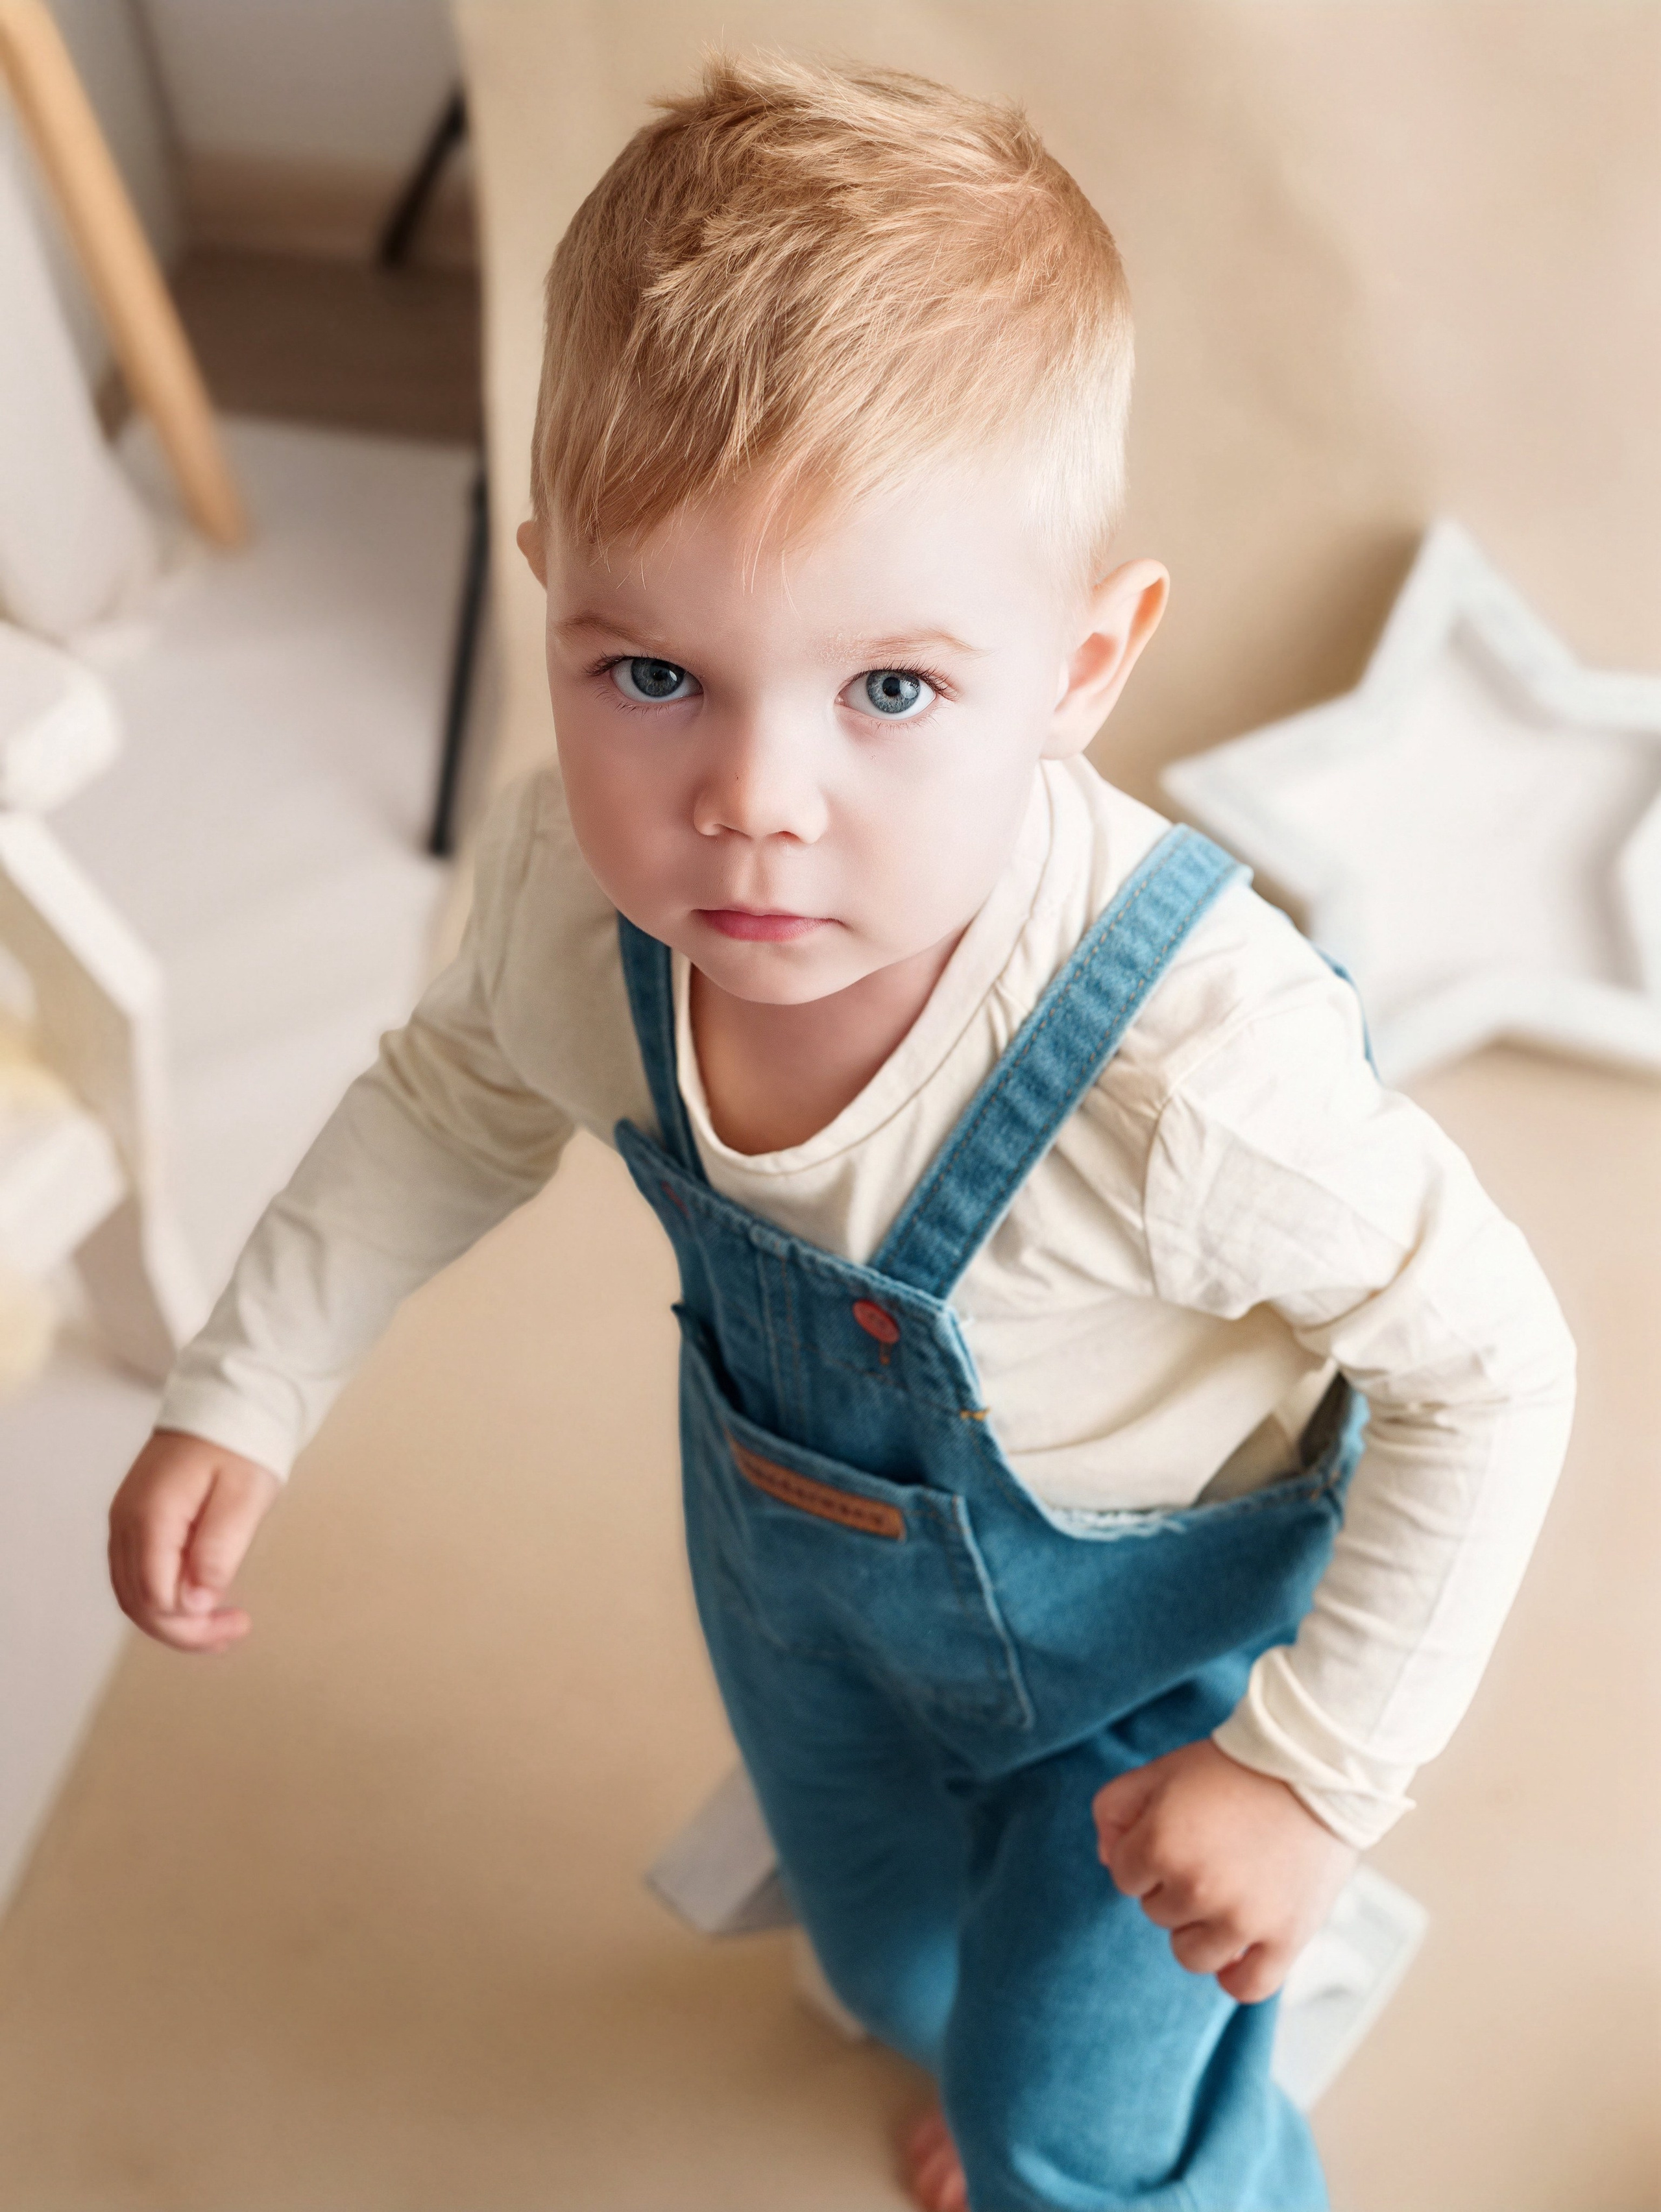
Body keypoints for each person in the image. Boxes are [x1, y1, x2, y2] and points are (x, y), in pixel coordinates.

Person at [107, 54, 1577, 2212]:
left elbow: (1496, 1365)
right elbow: (446, 1104)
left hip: (1155, 1680)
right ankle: (975, 2043)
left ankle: (1130, 2147)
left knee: (1080, 2106)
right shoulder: (566, 905)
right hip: (808, 1623)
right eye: (652, 675)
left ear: (1082, 662)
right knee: (888, 1948)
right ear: (552, 590)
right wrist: (248, 1386)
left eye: (890, 690)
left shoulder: (1192, 1067)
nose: (752, 800)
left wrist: (1307, 1772)